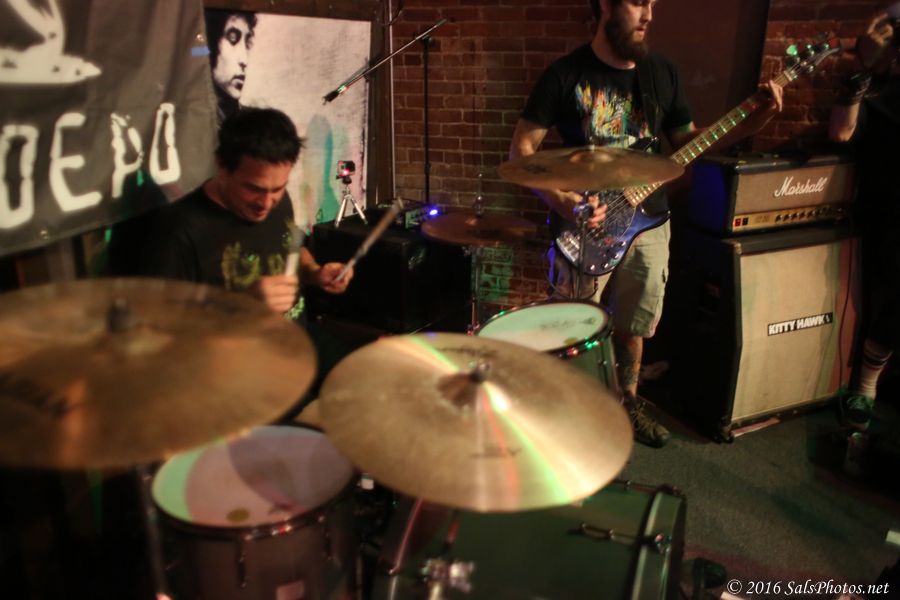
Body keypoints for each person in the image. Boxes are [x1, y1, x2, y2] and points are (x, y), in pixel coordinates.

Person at [509, 0, 782, 447]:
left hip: (650, 220)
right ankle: (567, 409)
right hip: (587, 224)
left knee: (634, 325)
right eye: (638, 2)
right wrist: (564, 202)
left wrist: (753, 122)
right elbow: (522, 151)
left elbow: (687, 141)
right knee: (570, 325)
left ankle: (628, 402)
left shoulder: (662, 73)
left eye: (653, 3)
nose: (650, 14)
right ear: (605, 5)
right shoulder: (565, 74)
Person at [138, 107, 354, 409]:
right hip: (236, 370)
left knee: (370, 380)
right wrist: (243, 306)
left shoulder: (278, 201)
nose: (266, 203)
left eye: (278, 188)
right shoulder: (177, 233)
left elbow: (291, 248)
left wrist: (315, 272)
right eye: (254, 189)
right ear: (222, 167)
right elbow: (162, 336)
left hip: (296, 340)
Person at [829, 7, 900, 431]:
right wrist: (862, 70)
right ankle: (866, 384)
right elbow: (841, 132)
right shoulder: (881, 93)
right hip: (886, 217)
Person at [205, 10, 256, 126]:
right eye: (233, 38)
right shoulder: (188, 117)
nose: (244, 60)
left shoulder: (253, 124)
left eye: (247, 43)